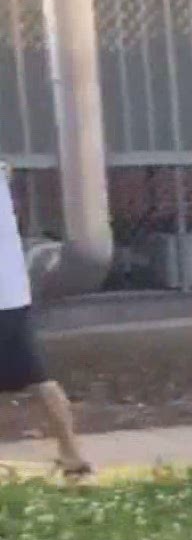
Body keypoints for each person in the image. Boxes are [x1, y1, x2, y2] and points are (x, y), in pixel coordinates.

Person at [0, 162, 90, 480]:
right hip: (13, 296)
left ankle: (72, 454)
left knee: (40, 379)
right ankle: (72, 454)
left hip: (5, 297)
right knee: (40, 378)